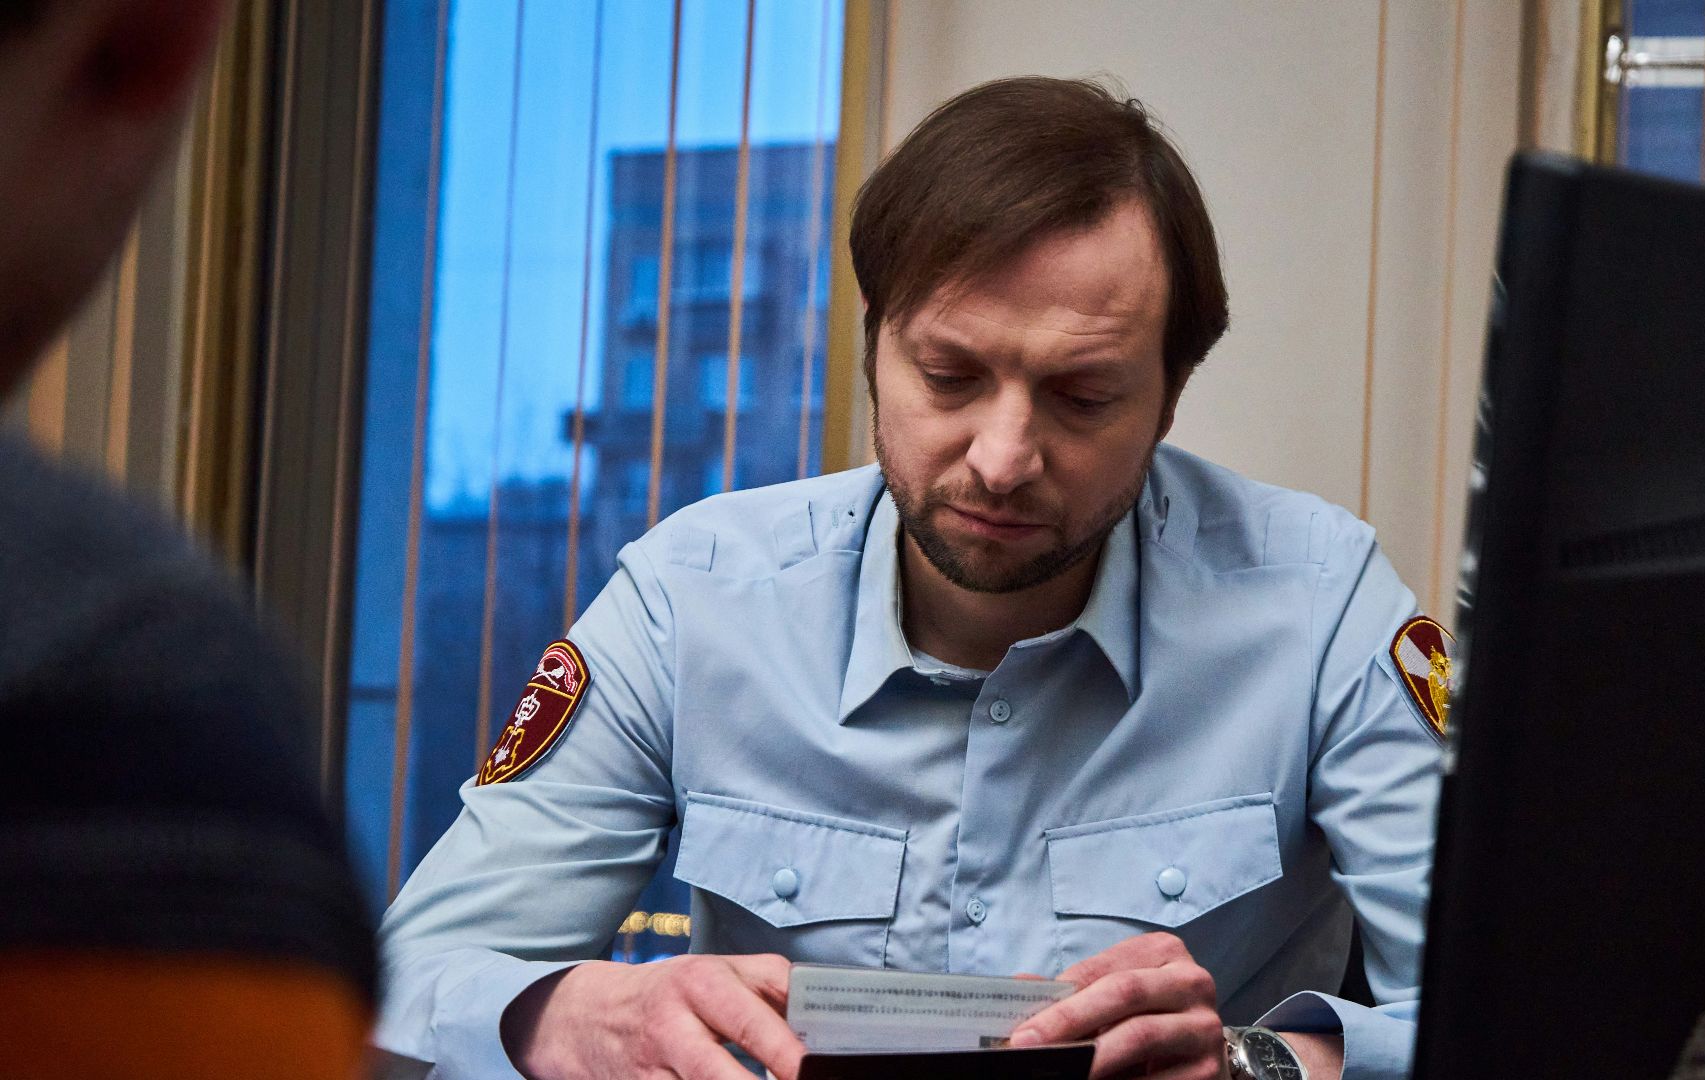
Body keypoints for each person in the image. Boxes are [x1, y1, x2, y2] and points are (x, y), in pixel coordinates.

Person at [378, 77, 1446, 1080]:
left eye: (1080, 397)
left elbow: (1529, 1017)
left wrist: (1259, 1064)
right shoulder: (690, 600)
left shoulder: (1319, 607)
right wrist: (562, 1014)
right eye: (949, 376)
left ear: (1167, 402)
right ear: (873, 347)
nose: (1002, 455)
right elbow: (401, 988)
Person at [0, 2, 379, 1075]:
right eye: (909, 371)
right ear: (157, 40)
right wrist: (554, 999)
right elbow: (456, 944)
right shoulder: (104, 691)